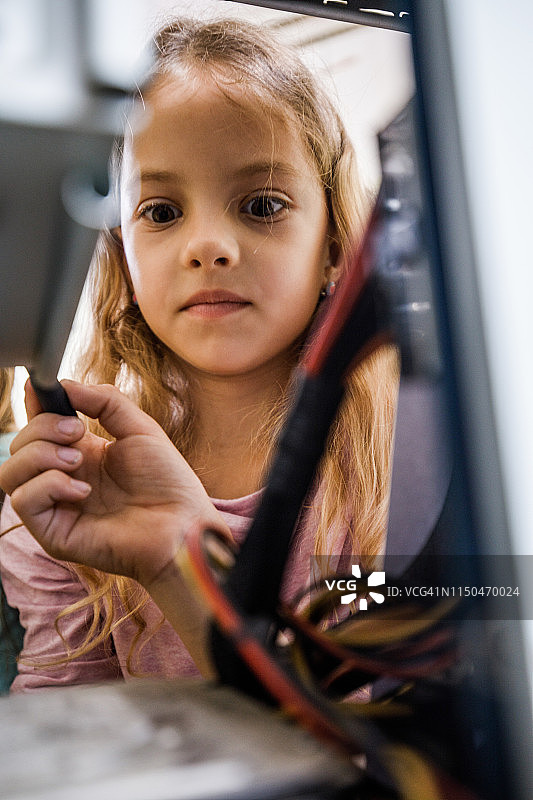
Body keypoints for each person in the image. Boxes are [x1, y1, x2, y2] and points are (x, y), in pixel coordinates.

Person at [0, 17, 398, 691]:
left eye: (262, 204)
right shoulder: (71, 487)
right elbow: (77, 739)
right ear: (122, 257)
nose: (207, 245)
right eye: (159, 212)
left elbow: (396, 744)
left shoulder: (405, 470)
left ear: (335, 244)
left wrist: (182, 568)